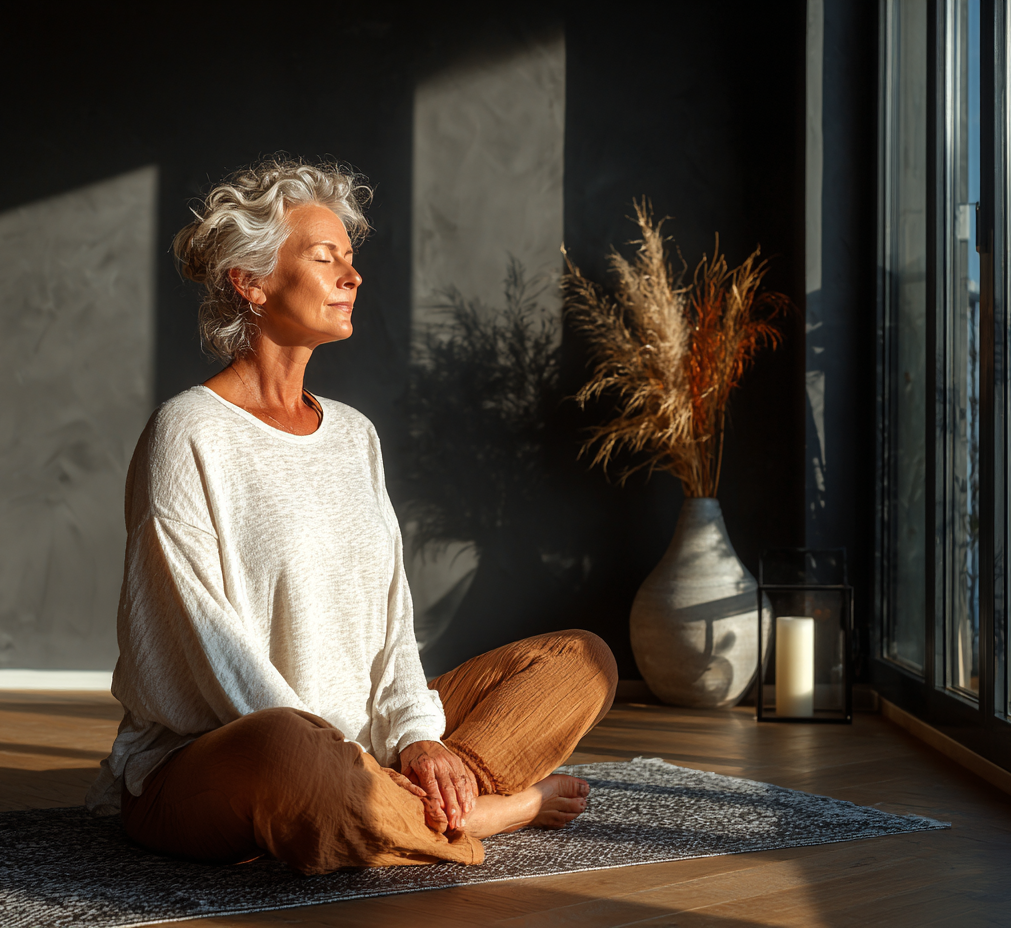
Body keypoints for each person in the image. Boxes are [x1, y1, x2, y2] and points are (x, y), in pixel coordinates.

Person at [86, 159, 617, 875]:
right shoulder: (188, 433)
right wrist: (332, 753)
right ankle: (493, 812)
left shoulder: (354, 435)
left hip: (365, 747)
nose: (353, 275)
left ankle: (403, 804)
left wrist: (418, 740)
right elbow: (209, 647)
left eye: (351, 258)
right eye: (324, 256)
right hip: (223, 756)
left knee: (582, 661)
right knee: (294, 756)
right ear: (252, 281)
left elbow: (393, 625)